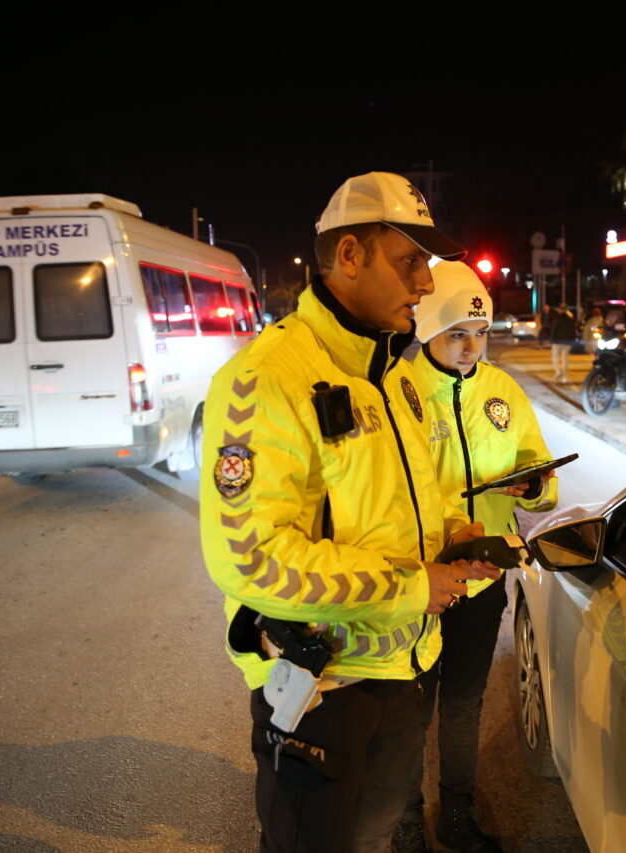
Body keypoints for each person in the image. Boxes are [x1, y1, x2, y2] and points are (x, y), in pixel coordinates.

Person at [199, 171, 502, 853]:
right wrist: (410, 587)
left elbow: (403, 499)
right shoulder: (265, 378)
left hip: (403, 677)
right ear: (349, 256)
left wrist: (454, 536)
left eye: (426, 264)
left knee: (371, 840)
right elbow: (249, 558)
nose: (426, 283)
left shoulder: (395, 376)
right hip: (323, 693)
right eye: (410, 262)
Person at [396, 261, 559, 853]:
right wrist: (447, 528)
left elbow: (535, 460)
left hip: (485, 574)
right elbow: (393, 487)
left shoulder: (504, 391)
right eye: (457, 333)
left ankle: (457, 812)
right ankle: (407, 818)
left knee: (463, 701)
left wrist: (535, 485)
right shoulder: (401, 392)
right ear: (429, 329)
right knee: (412, 706)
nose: (470, 348)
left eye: (481, 333)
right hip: (423, 576)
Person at [548, 303, 578, 383]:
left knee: (555, 357)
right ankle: (564, 376)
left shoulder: (557, 318)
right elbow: (573, 331)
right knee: (565, 359)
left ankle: (558, 372)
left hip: (558, 341)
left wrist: (551, 340)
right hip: (567, 342)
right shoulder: (571, 319)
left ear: (560, 310)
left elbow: (554, 330)